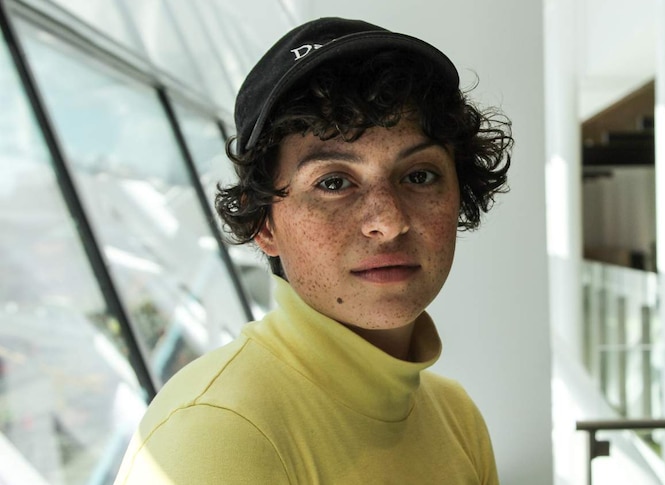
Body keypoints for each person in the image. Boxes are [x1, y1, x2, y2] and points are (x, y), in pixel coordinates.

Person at [114, 16, 512, 484]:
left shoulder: (456, 415)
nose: (388, 221)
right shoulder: (217, 432)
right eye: (333, 182)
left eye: (419, 175)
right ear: (264, 224)